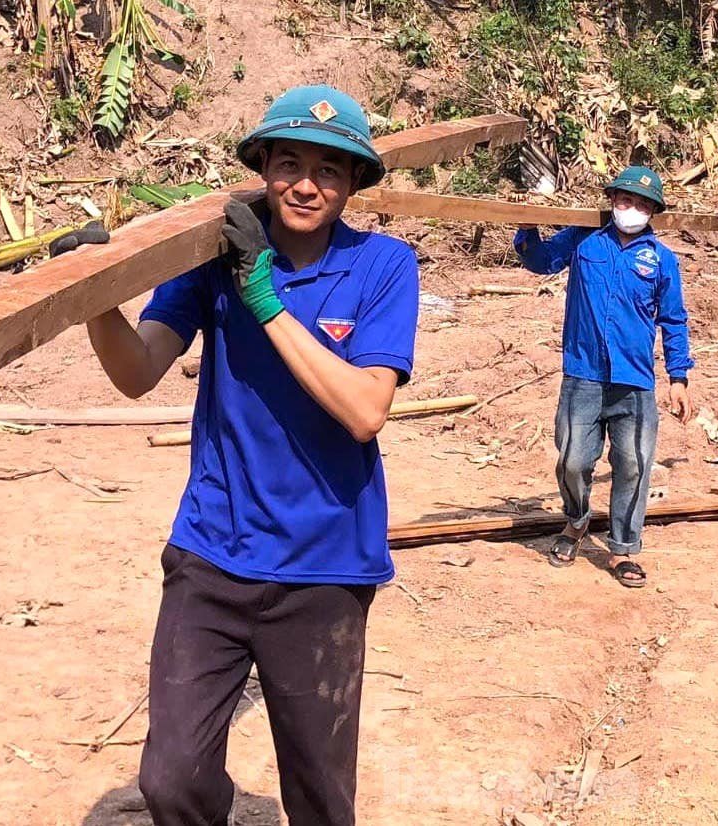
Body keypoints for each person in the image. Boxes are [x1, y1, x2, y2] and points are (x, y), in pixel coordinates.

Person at [83, 86, 419, 826]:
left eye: (331, 171)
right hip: (212, 555)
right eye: (290, 162)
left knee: (320, 796)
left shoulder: (383, 267)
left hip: (324, 568)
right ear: (263, 167)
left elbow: (366, 411)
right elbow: (138, 371)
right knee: (171, 780)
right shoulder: (214, 257)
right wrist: (94, 300)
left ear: (354, 184)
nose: (307, 184)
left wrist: (262, 294)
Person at [513, 166, 693, 589]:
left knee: (633, 464)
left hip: (634, 380)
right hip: (584, 373)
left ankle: (622, 549)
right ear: (612, 201)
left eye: (643, 204)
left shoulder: (661, 260)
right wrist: (527, 229)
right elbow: (540, 263)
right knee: (574, 459)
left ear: (653, 211)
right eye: (626, 201)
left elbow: (674, 319)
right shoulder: (583, 241)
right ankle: (575, 521)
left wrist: (679, 376)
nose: (632, 209)